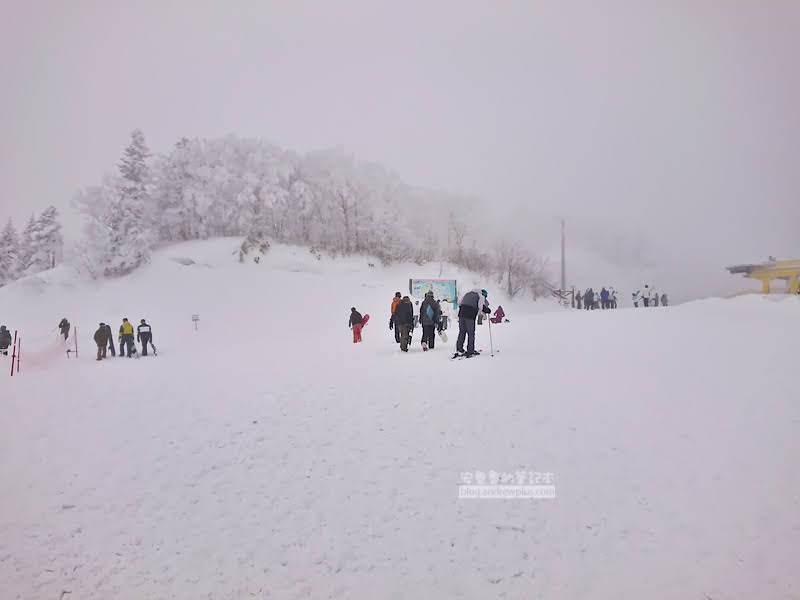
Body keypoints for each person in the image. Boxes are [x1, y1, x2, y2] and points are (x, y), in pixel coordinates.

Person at [455, 288, 491, 357]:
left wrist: (463, 309)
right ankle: (470, 351)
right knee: (471, 333)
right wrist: (485, 311)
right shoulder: (480, 296)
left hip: (461, 313)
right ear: (483, 294)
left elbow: (459, 302)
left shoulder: (467, 293)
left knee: (462, 332)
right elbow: (480, 306)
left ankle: (459, 349)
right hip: (470, 315)